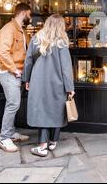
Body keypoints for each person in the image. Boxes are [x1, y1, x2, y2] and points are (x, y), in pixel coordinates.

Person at [22, 14, 75, 157]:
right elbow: (66, 68)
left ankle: (42, 146)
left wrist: (26, 79)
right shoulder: (62, 43)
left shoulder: (36, 39)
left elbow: (28, 61)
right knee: (57, 110)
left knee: (43, 111)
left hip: (38, 82)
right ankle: (52, 141)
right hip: (57, 84)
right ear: (61, 26)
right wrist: (70, 87)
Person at [0, 3, 32, 152]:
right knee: (13, 104)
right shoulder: (8, 29)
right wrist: (15, 69)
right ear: (23, 13)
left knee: (13, 104)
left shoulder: (21, 31)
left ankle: (10, 133)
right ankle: (4, 138)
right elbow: (2, 52)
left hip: (17, 73)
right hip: (9, 73)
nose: (30, 17)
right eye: (29, 14)